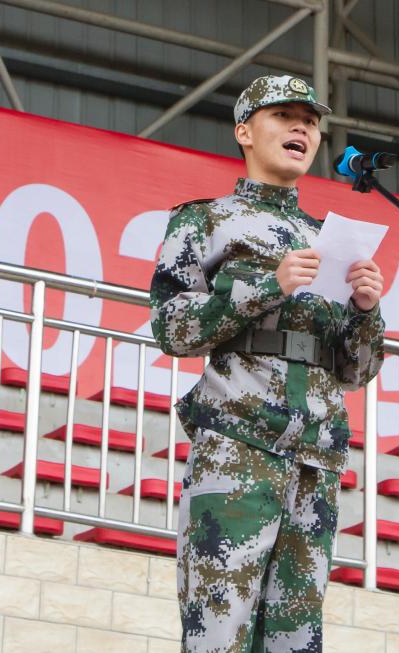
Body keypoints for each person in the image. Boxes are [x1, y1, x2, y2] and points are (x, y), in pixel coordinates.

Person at [149, 74, 386, 653]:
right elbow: (171, 328)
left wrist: (365, 311)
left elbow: (356, 371)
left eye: (311, 122)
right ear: (245, 132)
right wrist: (266, 287)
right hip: (237, 443)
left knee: (296, 638)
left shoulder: (329, 239)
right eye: (284, 115)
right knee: (219, 629)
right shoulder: (206, 220)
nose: (302, 128)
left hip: (314, 456)